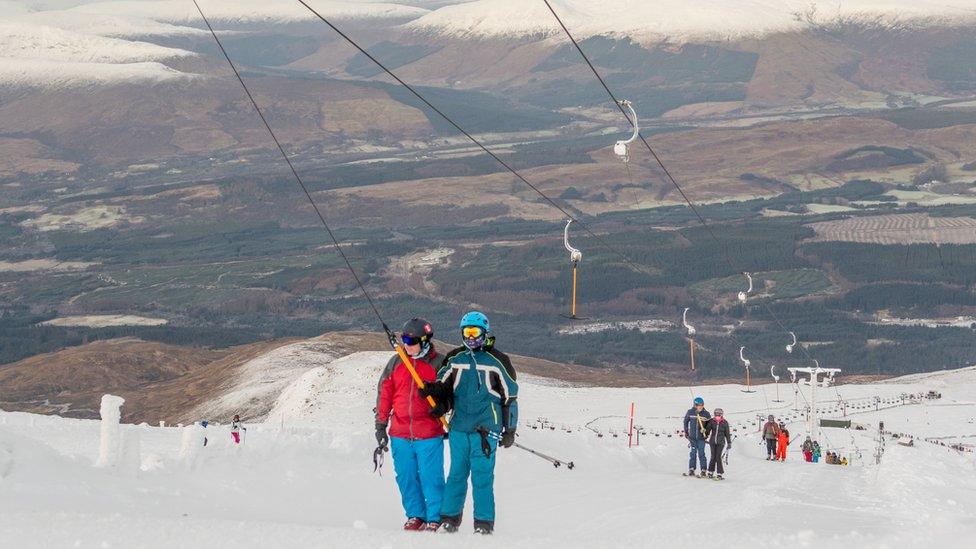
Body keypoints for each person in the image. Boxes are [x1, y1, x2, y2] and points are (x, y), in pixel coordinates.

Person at [420, 311, 518, 535]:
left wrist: (509, 429)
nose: (471, 338)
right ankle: (449, 519)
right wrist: (433, 394)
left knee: (482, 476)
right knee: (456, 474)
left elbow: (510, 397)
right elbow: (443, 388)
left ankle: (483, 523)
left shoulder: (497, 361)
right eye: (466, 332)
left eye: (475, 333)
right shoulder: (455, 359)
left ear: (485, 333)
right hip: (459, 428)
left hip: (485, 430)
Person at [375, 318, 447, 532]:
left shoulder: (440, 364)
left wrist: (443, 407)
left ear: (424, 341)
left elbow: (450, 393)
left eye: (411, 340)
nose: (406, 344)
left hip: (429, 433)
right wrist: (380, 425)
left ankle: (436, 517)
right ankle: (416, 515)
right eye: (404, 339)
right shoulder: (396, 363)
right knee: (406, 476)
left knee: (430, 476)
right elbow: (384, 395)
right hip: (400, 432)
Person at [683, 397, 711, 477]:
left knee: (701, 454)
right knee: (693, 453)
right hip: (692, 438)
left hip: (701, 438)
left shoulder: (706, 413)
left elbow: (710, 425)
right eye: (699, 405)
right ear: (695, 405)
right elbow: (685, 422)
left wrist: (706, 432)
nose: (701, 406)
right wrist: (686, 432)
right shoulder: (690, 412)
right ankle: (692, 469)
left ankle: (703, 470)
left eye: (702, 405)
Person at [704, 407, 732, 480]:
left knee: (718, 457)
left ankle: (719, 473)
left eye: (719, 414)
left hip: (721, 442)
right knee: (713, 457)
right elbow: (708, 430)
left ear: (721, 415)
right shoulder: (712, 421)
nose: (718, 415)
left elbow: (727, 434)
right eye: (716, 413)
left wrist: (729, 442)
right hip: (712, 442)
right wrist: (704, 434)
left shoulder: (724, 422)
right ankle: (710, 472)